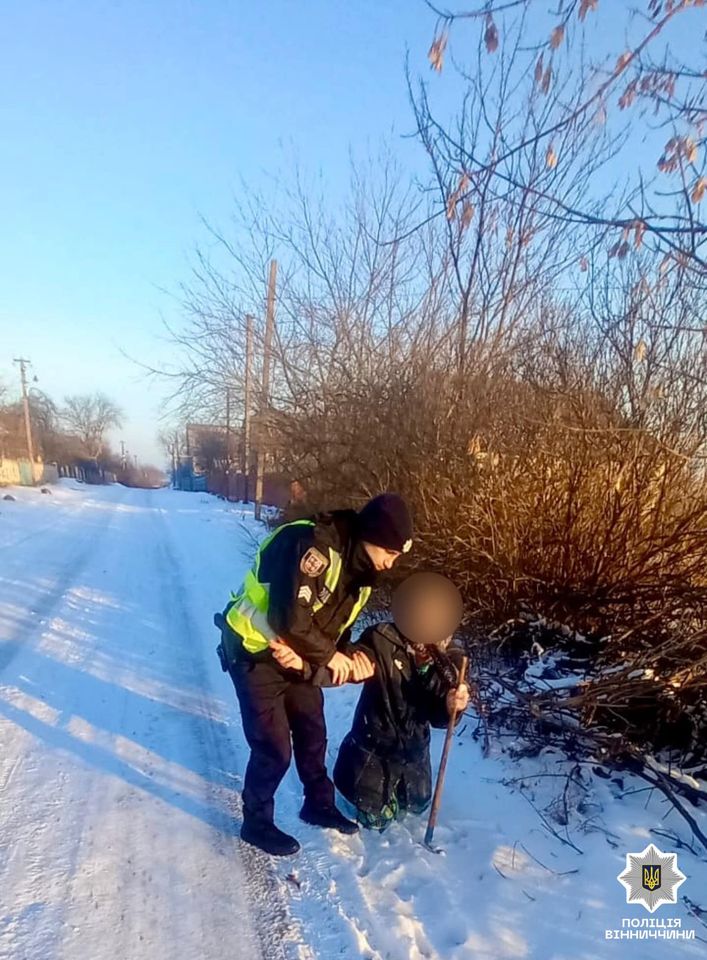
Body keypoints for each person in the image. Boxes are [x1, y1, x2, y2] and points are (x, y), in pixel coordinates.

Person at [216, 493, 413, 856]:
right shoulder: (312, 545)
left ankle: (318, 804)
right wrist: (329, 656)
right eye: (392, 553)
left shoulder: (361, 576)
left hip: (294, 656)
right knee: (273, 749)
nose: (392, 563)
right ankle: (255, 821)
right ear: (374, 537)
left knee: (312, 732)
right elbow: (289, 618)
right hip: (254, 650)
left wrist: (343, 658)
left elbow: (334, 630)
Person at [332, 573, 470, 831]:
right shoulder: (382, 638)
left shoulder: (452, 660)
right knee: (376, 819)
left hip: (414, 749)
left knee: (416, 806)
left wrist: (453, 705)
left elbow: (440, 718)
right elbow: (351, 660)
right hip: (373, 745)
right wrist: (350, 664)